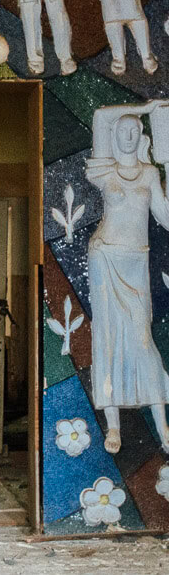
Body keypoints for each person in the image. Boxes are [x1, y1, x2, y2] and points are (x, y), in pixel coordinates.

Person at [86, 99, 169, 454]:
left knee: (141, 338)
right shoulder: (104, 170)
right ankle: (113, 425)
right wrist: (146, 107)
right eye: (124, 130)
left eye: (136, 131)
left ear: (143, 137)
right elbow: (100, 116)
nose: (130, 136)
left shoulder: (150, 174)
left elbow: (166, 220)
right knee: (107, 338)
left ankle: (162, 423)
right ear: (115, 135)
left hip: (136, 262)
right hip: (105, 257)